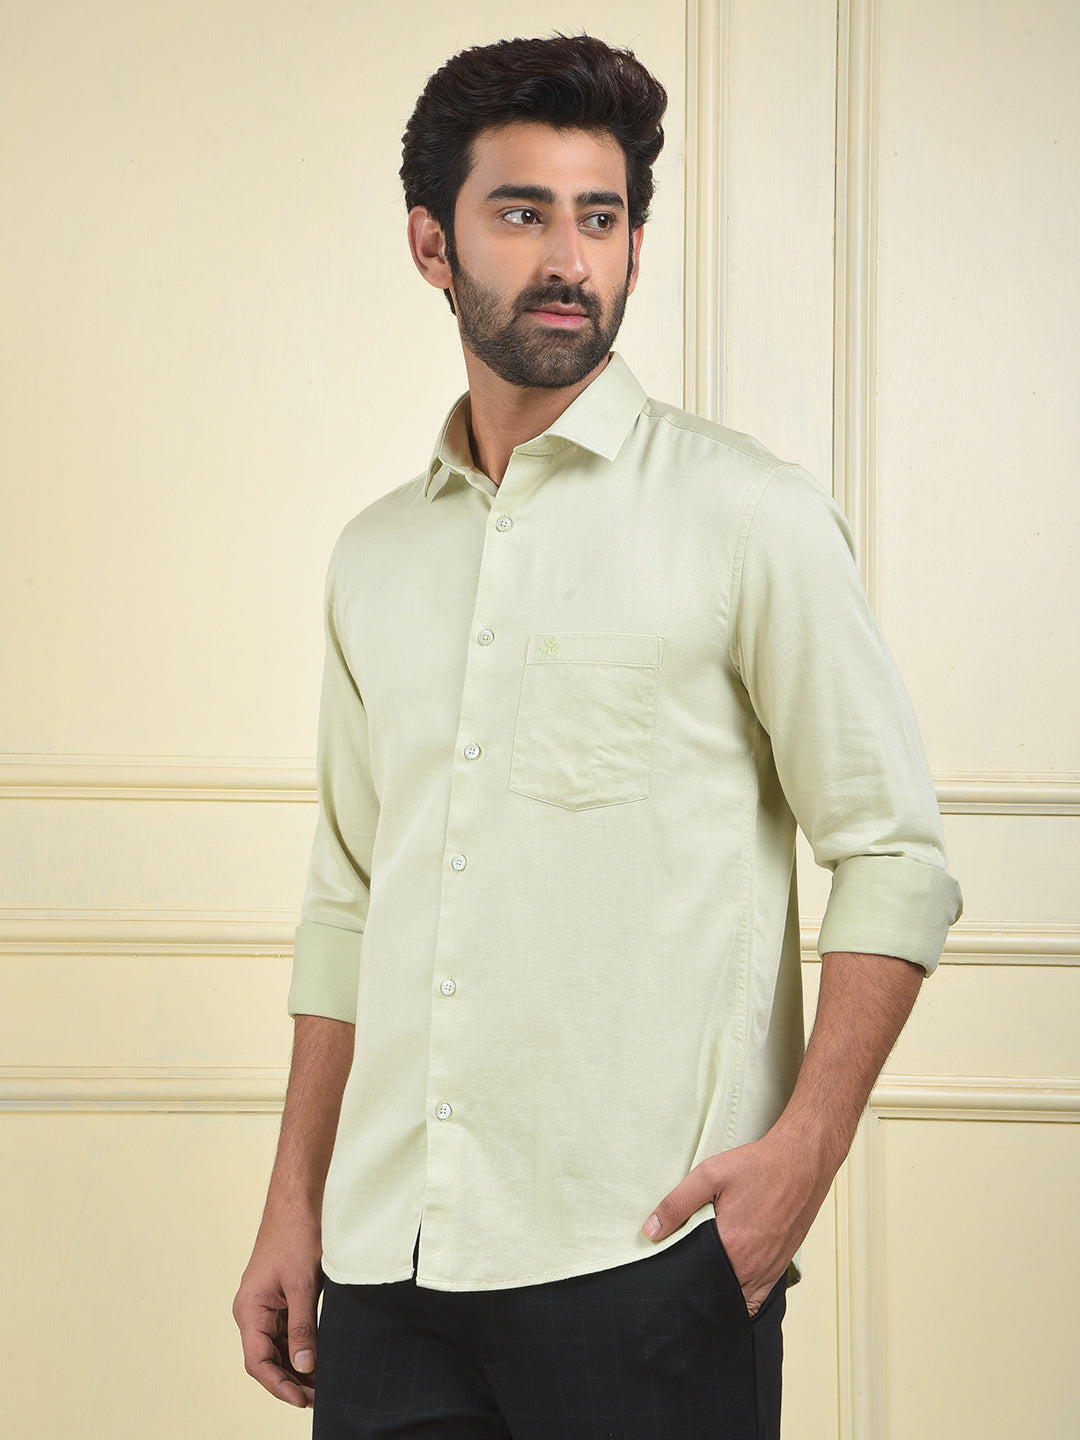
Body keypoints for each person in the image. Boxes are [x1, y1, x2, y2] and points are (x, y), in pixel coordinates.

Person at [233, 33, 962, 1440]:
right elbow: (349, 901)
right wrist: (293, 1203)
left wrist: (801, 1163)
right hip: (386, 1268)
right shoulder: (373, 558)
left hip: (647, 1259)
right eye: (522, 213)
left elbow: (894, 855)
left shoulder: (748, 517)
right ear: (431, 244)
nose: (571, 259)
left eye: (602, 216)